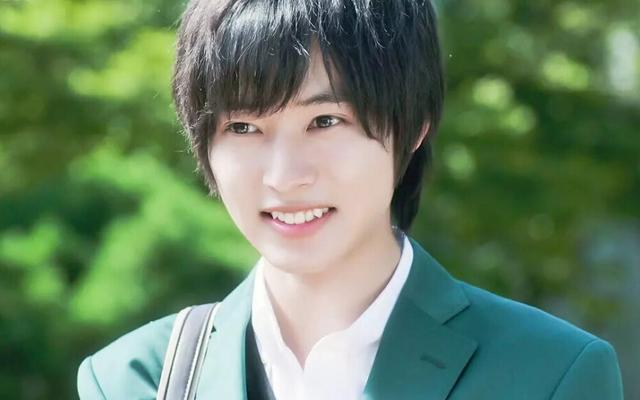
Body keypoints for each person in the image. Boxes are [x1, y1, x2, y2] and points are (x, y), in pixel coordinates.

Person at [77, 0, 624, 399]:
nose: (284, 176)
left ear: (414, 125)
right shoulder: (133, 380)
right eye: (243, 127)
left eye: (325, 120)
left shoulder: (548, 374)